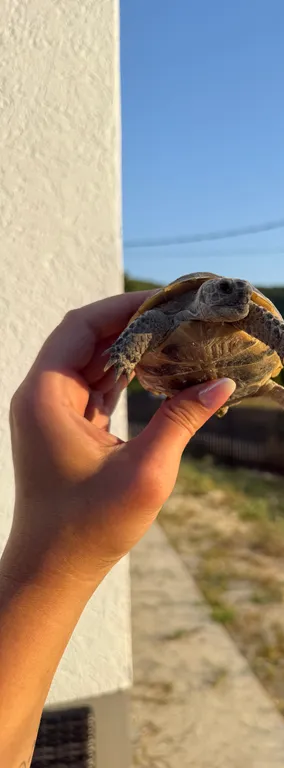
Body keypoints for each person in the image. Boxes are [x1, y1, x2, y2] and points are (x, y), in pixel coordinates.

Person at [0, 291, 236, 767]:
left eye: (239, 293)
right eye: (224, 290)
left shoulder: (243, 308)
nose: (235, 297)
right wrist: (132, 345)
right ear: (204, 296)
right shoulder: (170, 314)